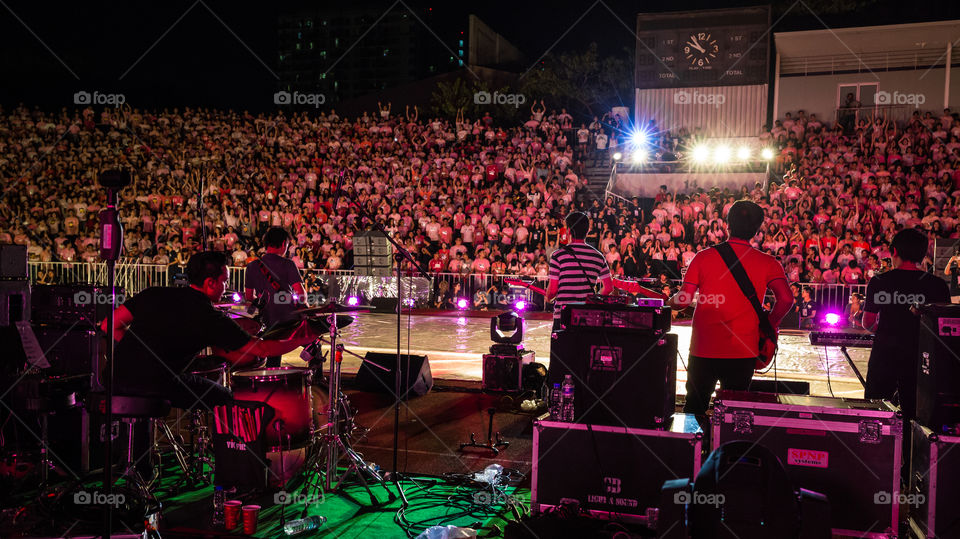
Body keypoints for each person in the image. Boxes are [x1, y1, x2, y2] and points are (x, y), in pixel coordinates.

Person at [104, 251, 318, 410]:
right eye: (224, 281)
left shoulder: (153, 293)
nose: (226, 287)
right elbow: (261, 350)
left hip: (114, 377)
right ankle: (225, 459)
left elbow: (108, 325)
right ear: (210, 283)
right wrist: (303, 337)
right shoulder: (207, 316)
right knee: (225, 398)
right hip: (157, 384)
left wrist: (136, 356)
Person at [668, 200, 794, 419]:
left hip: (703, 348)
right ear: (756, 230)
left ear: (727, 225)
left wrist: (668, 300)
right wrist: (770, 323)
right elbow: (786, 299)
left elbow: (683, 300)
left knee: (694, 409)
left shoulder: (703, 257)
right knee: (734, 414)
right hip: (743, 349)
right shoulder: (769, 263)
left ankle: (696, 450)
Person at [861, 228, 950, 422]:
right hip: (921, 358)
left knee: (876, 411)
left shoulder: (879, 281)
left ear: (894, 252)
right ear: (923, 254)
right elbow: (943, 327)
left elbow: (867, 322)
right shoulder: (937, 285)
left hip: (885, 355)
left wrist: (887, 331)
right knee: (917, 414)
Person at [244, 227, 307, 367]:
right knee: (313, 346)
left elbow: (249, 298)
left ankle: (271, 382)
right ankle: (316, 378)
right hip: (291, 322)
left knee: (274, 355)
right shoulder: (288, 264)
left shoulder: (252, 266)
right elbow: (301, 295)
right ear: (284, 243)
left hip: (268, 322)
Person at [544, 211, 613, 331]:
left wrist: (548, 296)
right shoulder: (598, 256)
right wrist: (593, 301)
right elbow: (608, 288)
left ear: (569, 231)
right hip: (587, 316)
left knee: (562, 348)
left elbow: (553, 290)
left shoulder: (558, 256)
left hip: (563, 316)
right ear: (587, 231)